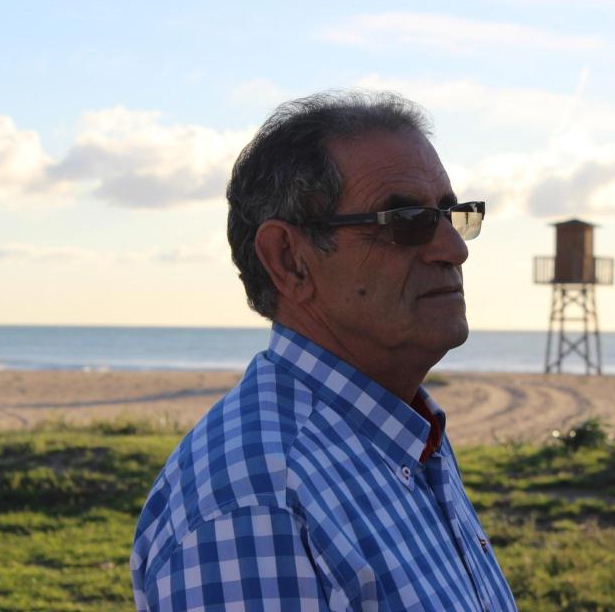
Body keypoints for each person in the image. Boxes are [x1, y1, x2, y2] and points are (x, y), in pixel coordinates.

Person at [130, 91, 517, 611]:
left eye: (453, 215)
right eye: (405, 219)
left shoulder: (399, 434)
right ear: (289, 260)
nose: (454, 248)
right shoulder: (259, 504)